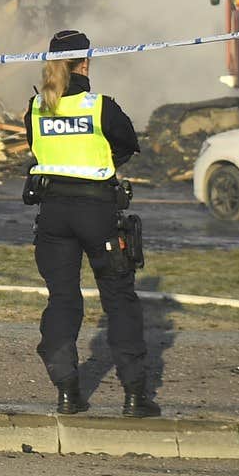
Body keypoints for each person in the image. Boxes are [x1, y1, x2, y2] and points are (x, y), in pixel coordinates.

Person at [24, 28, 155, 417]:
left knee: (63, 301)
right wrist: (103, 164)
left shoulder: (36, 106)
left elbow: (36, 147)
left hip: (52, 215)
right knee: (119, 301)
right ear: (85, 63)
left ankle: (67, 392)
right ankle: (134, 397)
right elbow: (127, 143)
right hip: (98, 212)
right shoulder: (101, 106)